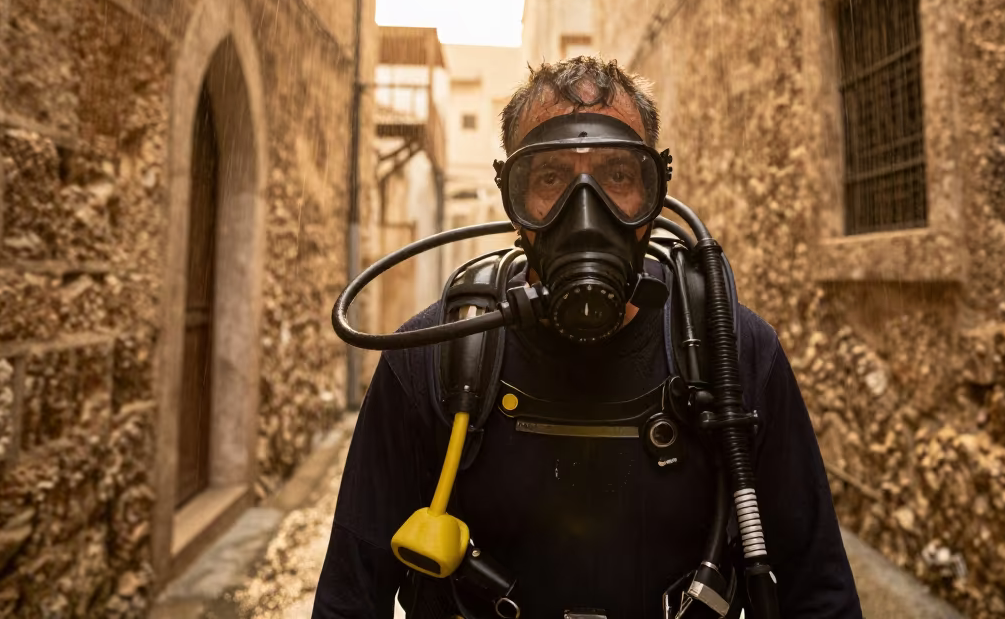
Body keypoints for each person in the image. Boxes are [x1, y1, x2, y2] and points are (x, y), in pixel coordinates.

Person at [313, 57, 862, 618]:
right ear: (513, 200)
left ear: (654, 197)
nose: (584, 211)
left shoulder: (734, 357)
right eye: (550, 178)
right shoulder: (433, 361)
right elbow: (348, 600)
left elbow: (818, 594)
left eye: (618, 176)